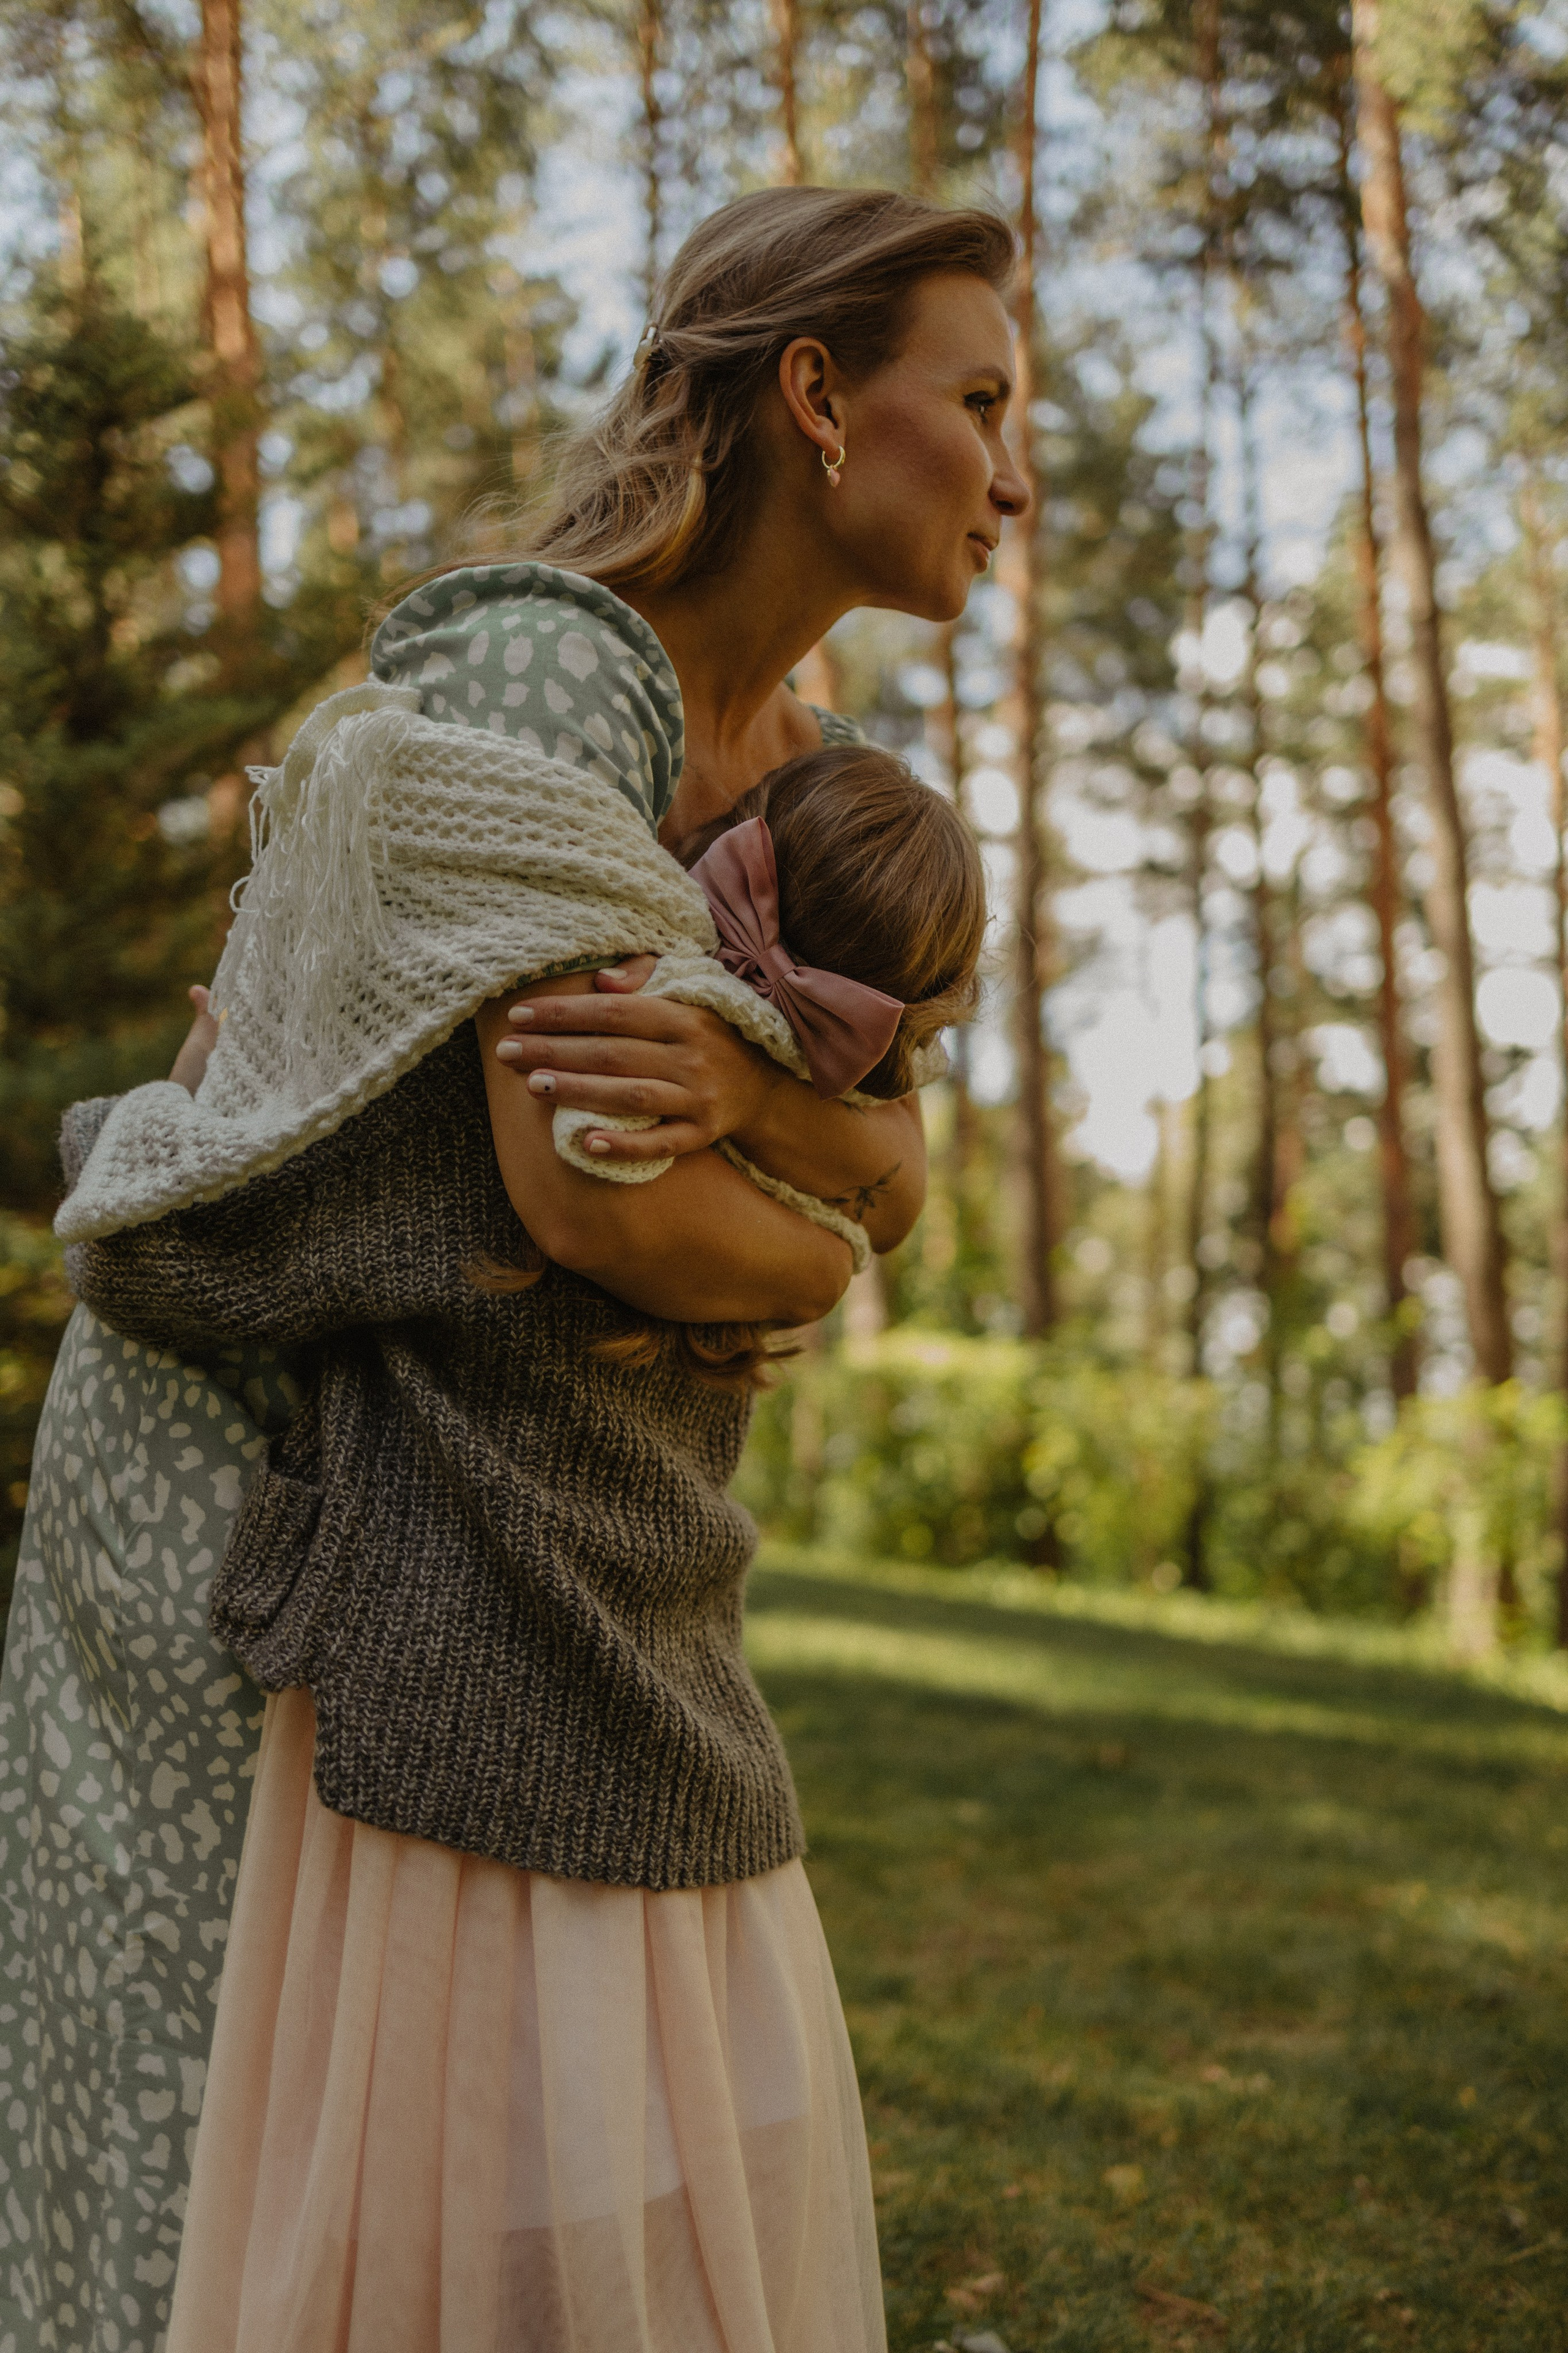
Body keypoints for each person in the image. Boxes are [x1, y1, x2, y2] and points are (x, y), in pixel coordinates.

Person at [0, 182, 1026, 2353]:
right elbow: (593, 1205)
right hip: (243, 1455)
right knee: (211, 2160)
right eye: (986, 399)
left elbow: (895, 1161)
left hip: (449, 1468)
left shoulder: (811, 772)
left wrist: (770, 1134)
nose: (1018, 472)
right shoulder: (556, 670)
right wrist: (811, 1243)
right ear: (821, 400)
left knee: (393, 2172)